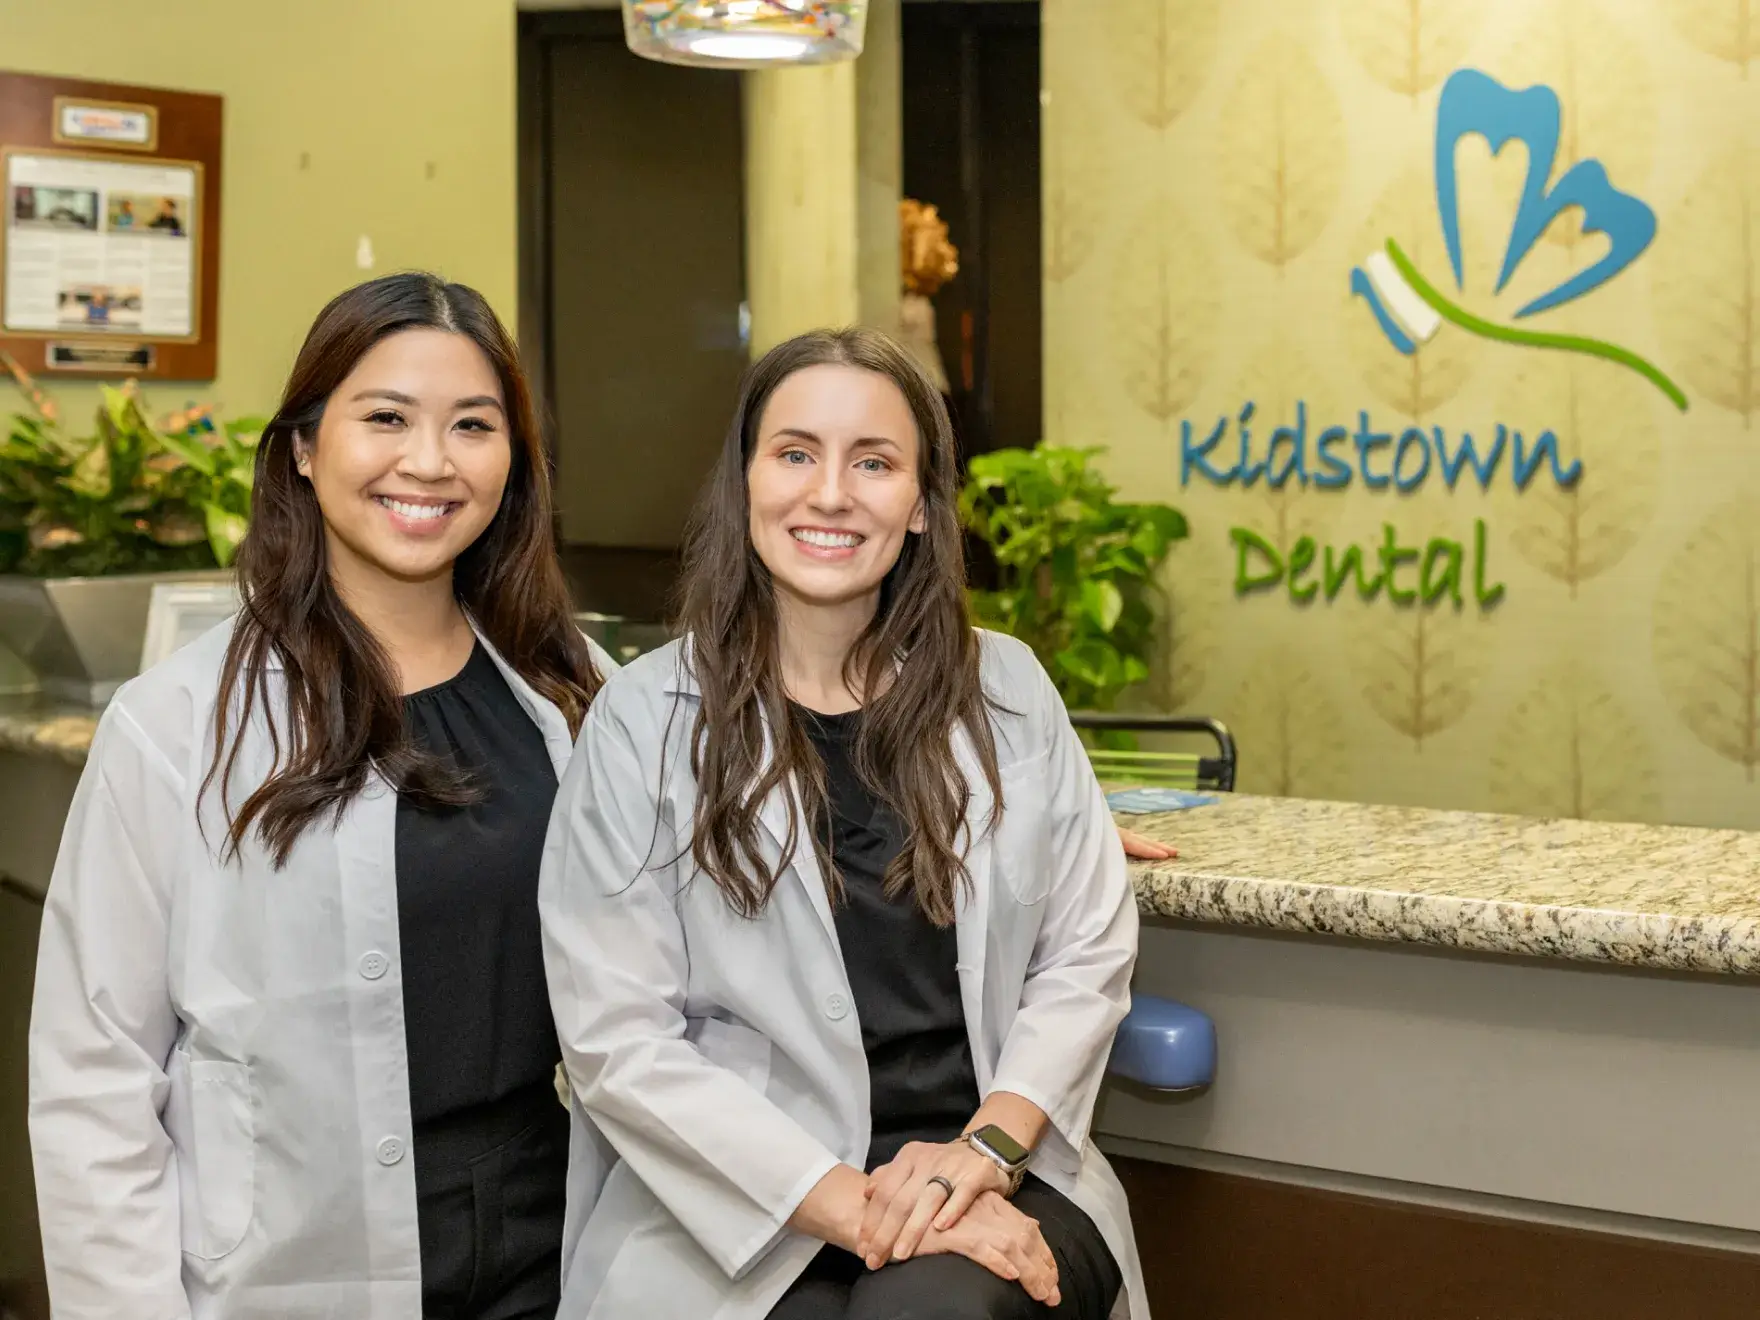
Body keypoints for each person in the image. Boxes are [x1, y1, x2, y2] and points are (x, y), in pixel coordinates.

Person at [29, 271, 612, 1320]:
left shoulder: (575, 695)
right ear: (303, 446)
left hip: (555, 1251)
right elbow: (95, 1078)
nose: (428, 461)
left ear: (514, 460)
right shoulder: (176, 725)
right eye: (385, 417)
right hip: (294, 1267)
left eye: (472, 425)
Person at [539, 327, 1149, 1319]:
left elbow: (1084, 953)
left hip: (998, 1165)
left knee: (934, 1312)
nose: (830, 493)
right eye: (794, 454)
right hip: (744, 1194)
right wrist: (869, 1213)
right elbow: (619, 1040)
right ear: (745, 483)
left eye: (873, 462)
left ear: (920, 504)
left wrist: (983, 1153)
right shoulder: (643, 722)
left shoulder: (1008, 690)